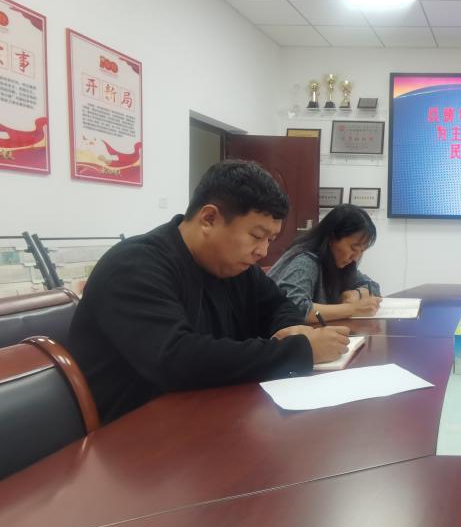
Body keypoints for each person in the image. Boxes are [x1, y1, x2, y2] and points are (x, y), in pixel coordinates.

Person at [67, 160, 349, 423]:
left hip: (204, 414)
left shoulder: (232, 267)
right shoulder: (134, 266)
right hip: (131, 433)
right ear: (209, 218)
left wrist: (289, 328)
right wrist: (298, 350)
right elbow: (176, 359)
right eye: (256, 236)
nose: (263, 251)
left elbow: (278, 305)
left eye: (270, 239)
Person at [268, 204, 382, 322]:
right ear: (332, 238)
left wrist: (356, 293)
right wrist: (352, 309)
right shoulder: (304, 260)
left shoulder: (339, 263)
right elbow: (296, 309)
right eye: (353, 248)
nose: (356, 257)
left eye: (362, 251)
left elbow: (372, 286)